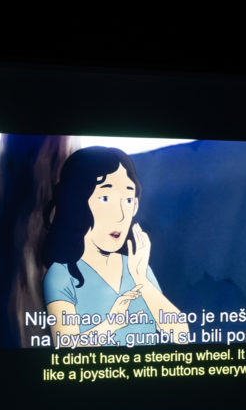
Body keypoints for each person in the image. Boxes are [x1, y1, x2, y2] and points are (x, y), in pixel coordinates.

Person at [41, 146, 189, 347]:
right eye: (105, 198)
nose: (120, 215)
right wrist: (111, 324)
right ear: (76, 202)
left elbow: (181, 334)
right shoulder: (61, 275)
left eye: (128, 200)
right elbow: (67, 347)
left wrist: (141, 280)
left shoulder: (137, 267)